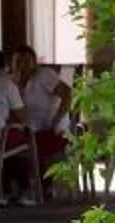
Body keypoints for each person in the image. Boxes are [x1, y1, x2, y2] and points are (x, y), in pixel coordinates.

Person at [9, 44, 74, 200]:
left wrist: (57, 119)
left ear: (35, 63)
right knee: (11, 142)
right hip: (27, 128)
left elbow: (67, 93)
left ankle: (41, 187)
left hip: (49, 127)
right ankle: (22, 188)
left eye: (27, 61)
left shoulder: (44, 75)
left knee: (29, 145)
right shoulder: (10, 82)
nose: (22, 66)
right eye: (18, 62)